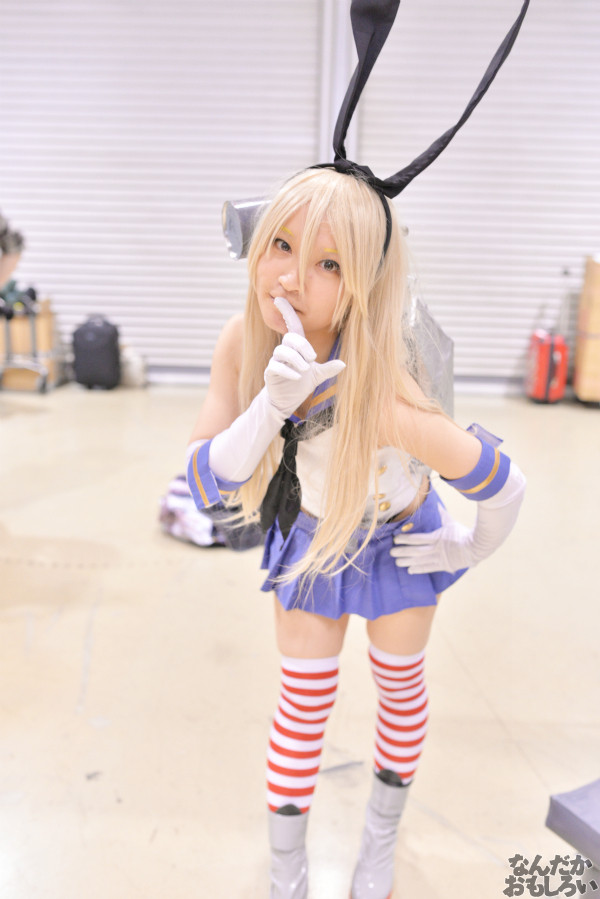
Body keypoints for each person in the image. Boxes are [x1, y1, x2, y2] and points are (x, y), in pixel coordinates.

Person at [186, 165, 526, 899]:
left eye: (330, 263)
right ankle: (287, 871)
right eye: (281, 244)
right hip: (311, 538)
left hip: (397, 540)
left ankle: (379, 845)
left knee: (400, 688)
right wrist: (270, 405)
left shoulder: (383, 380)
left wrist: (470, 544)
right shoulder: (242, 342)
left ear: (365, 280)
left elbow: (504, 482)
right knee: (302, 703)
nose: (291, 277)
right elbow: (205, 484)